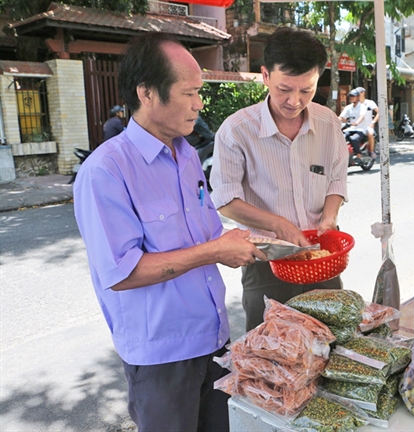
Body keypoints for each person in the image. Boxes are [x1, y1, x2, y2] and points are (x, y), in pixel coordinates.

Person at [73, 32, 265, 432]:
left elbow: (208, 234)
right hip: (162, 357)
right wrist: (214, 251)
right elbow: (123, 273)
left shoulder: (188, 156)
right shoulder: (106, 171)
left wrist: (248, 243)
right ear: (146, 92)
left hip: (212, 341)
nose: (199, 103)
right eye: (189, 92)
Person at [210, 26, 348, 331]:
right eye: (284, 89)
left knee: (329, 344)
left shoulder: (328, 123)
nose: (294, 101)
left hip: (321, 255)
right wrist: (278, 224)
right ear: (265, 75)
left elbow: (336, 179)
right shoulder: (236, 130)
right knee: (270, 354)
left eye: (306, 90)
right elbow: (226, 201)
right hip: (266, 262)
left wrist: (329, 216)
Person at [338, 88, 366, 161]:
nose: (351, 97)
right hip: (349, 129)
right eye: (350, 96)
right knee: (340, 137)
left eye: (353, 96)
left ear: (358, 97)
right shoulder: (348, 107)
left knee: (353, 139)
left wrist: (356, 123)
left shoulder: (362, 106)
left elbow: (362, 116)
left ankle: (359, 156)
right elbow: (341, 117)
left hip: (360, 129)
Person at [356, 87, 380, 159]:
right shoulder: (355, 103)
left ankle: (371, 151)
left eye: (358, 93)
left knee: (370, 133)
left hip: (367, 126)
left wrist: (373, 122)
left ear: (363, 93)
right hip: (357, 125)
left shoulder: (370, 103)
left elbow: (379, 112)